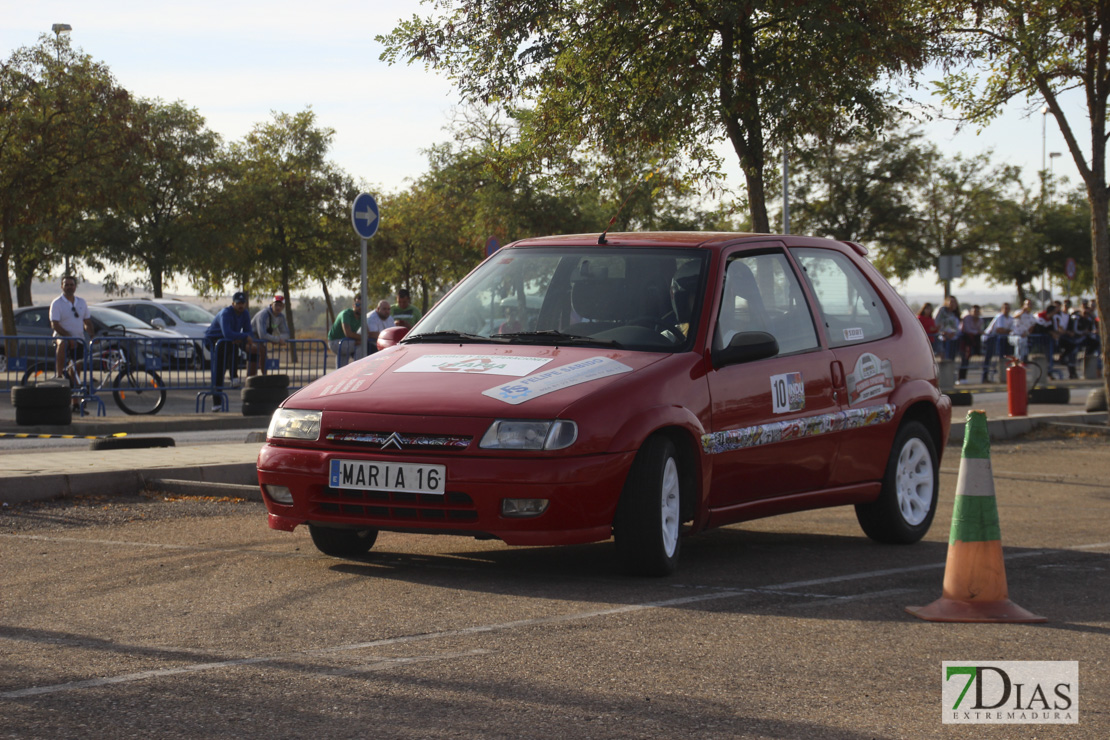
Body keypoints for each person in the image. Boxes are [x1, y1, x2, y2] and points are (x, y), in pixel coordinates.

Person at [205, 291, 261, 388]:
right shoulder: (226, 313)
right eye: (238, 303)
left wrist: (239, 337)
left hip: (230, 340)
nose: (241, 306)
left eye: (242, 303)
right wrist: (241, 336)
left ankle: (251, 383)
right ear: (233, 304)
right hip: (214, 341)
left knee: (253, 348)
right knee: (220, 368)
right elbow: (227, 333)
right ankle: (230, 380)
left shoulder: (245, 314)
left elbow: (249, 333)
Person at [48, 275, 96, 380]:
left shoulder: (82, 302)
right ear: (62, 286)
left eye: (71, 285)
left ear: (75, 287)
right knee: (63, 343)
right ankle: (59, 374)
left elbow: (87, 321)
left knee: (76, 368)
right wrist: (69, 337)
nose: (69, 287)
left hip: (78, 338)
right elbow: (54, 324)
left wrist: (92, 335)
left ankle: (74, 391)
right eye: (66, 285)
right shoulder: (57, 303)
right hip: (62, 336)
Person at [250, 294, 291, 375]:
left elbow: (286, 334)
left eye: (280, 305)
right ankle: (253, 378)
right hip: (251, 339)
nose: (278, 307)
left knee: (263, 353)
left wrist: (279, 339)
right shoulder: (263, 315)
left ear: (283, 307)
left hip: (261, 341)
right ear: (272, 304)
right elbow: (262, 334)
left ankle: (264, 377)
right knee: (259, 353)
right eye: (276, 305)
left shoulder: (281, 317)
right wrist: (278, 340)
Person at [980, 302, 1013, 382]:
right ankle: (985, 377)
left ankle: (1003, 377)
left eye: (1008, 308)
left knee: (1004, 357)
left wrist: (1006, 331)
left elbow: (1011, 330)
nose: (1006, 310)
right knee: (988, 357)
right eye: (1005, 308)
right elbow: (999, 330)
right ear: (1002, 309)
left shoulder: (1010, 318)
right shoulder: (1000, 317)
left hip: (1000, 339)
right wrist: (1007, 331)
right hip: (991, 338)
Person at [328, 295, 362, 368]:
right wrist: (363, 338)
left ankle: (339, 377)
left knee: (341, 368)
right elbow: (348, 333)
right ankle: (358, 369)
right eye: (358, 304)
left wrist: (362, 338)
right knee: (361, 345)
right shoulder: (346, 314)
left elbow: (367, 332)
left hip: (346, 342)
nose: (360, 307)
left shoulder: (362, 317)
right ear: (353, 305)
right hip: (335, 342)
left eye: (362, 305)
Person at [957, 304, 982, 383]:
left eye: (977, 311)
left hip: (972, 342)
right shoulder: (967, 318)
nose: (976, 313)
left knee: (967, 359)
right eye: (974, 311)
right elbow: (967, 330)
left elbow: (978, 331)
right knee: (963, 359)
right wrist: (976, 332)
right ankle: (960, 378)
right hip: (964, 341)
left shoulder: (981, 320)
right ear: (971, 312)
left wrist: (976, 332)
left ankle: (964, 378)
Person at [934, 296, 960, 360]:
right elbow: (937, 323)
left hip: (953, 338)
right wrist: (943, 332)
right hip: (943, 338)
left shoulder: (954, 314)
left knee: (951, 358)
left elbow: (956, 326)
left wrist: (954, 333)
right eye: (951, 302)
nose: (953, 304)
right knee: (944, 358)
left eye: (954, 302)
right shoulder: (942, 311)